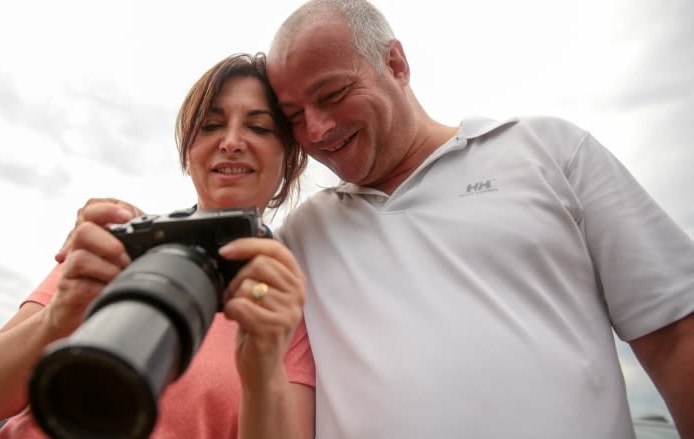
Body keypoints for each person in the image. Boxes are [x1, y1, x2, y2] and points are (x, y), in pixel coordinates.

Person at [262, 0, 693, 438]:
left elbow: (676, 334)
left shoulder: (548, 152)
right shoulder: (301, 235)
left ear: (395, 64)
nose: (315, 130)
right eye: (294, 116)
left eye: (332, 94)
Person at [0, 53, 315, 439]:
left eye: (259, 128)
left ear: (289, 158)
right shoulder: (114, 250)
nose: (230, 142)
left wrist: (263, 373)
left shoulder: (281, 306)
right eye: (210, 125)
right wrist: (59, 316)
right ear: (188, 151)